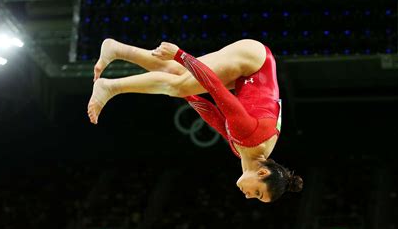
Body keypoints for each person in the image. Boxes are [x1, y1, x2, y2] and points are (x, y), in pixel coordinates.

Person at [87, 39, 303, 202]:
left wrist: (188, 95)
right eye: (258, 192)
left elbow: (213, 116)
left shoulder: (244, 151)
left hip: (250, 73)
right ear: (262, 172)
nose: (249, 196)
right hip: (255, 61)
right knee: (179, 84)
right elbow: (216, 91)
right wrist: (180, 54)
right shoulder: (251, 137)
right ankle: (110, 86)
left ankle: (116, 49)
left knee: (177, 77)